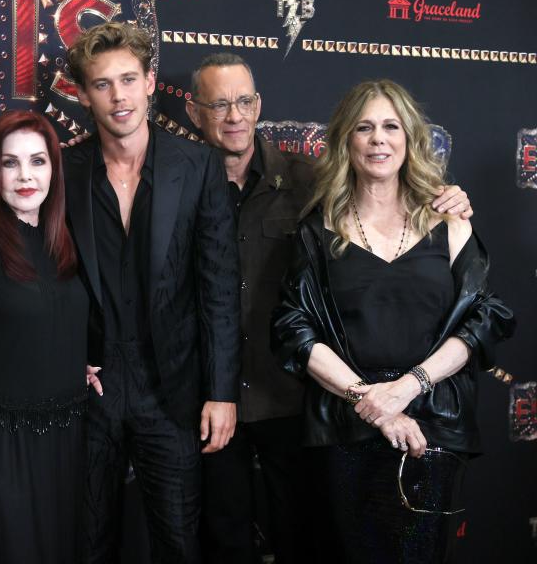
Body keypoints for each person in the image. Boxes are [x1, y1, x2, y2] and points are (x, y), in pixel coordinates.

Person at [185, 54, 474, 563]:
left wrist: (449, 197)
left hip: (291, 400)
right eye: (220, 103)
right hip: (211, 397)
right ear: (194, 111)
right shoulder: (173, 184)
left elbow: (474, 311)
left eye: (245, 100)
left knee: (313, 541)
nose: (235, 114)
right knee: (220, 541)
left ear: (260, 106)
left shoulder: (309, 184)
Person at [272, 80, 515, 563]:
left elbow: (486, 318)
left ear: (410, 139)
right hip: (347, 422)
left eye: (390, 126)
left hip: (434, 420)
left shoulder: (450, 221)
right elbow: (292, 328)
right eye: (364, 128)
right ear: (346, 141)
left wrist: (409, 386)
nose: (378, 139)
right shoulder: (317, 230)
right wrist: (371, 401)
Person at [64, 22, 240, 563]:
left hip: (171, 386)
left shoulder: (198, 166)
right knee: (88, 542)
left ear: (150, 82)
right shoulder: (63, 171)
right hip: (88, 388)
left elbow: (218, 289)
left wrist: (221, 391)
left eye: (128, 79)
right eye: (102, 84)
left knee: (178, 541)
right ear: (82, 93)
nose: (118, 96)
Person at [0, 110, 97, 563]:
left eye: (38, 161)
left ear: (54, 169)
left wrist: (76, 364)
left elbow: (51, 321)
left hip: (67, 445)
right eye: (10, 163)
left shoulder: (64, 242)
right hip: (3, 449)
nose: (26, 176)